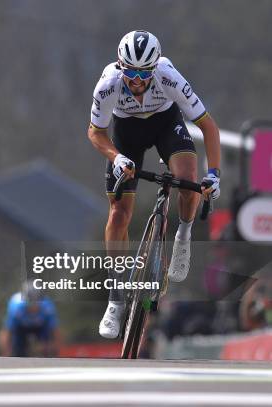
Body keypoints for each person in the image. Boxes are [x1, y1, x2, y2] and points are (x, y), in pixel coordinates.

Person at [87, 30, 221, 338]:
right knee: (119, 213)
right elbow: (95, 132)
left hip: (165, 124)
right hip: (126, 134)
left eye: (143, 73)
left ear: (154, 68)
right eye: (129, 72)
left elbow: (208, 126)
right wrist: (117, 157)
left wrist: (213, 173)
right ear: (120, 66)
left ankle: (183, 236)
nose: (135, 80)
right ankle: (116, 296)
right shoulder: (108, 85)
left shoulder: (169, 76)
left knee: (188, 183)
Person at [0, 281, 60, 357]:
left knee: (45, 347)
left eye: (36, 302)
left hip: (41, 328)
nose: (33, 307)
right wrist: (5, 353)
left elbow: (55, 331)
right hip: (21, 328)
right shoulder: (16, 307)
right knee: (18, 347)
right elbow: (7, 332)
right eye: (30, 302)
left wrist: (57, 350)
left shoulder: (47, 307)